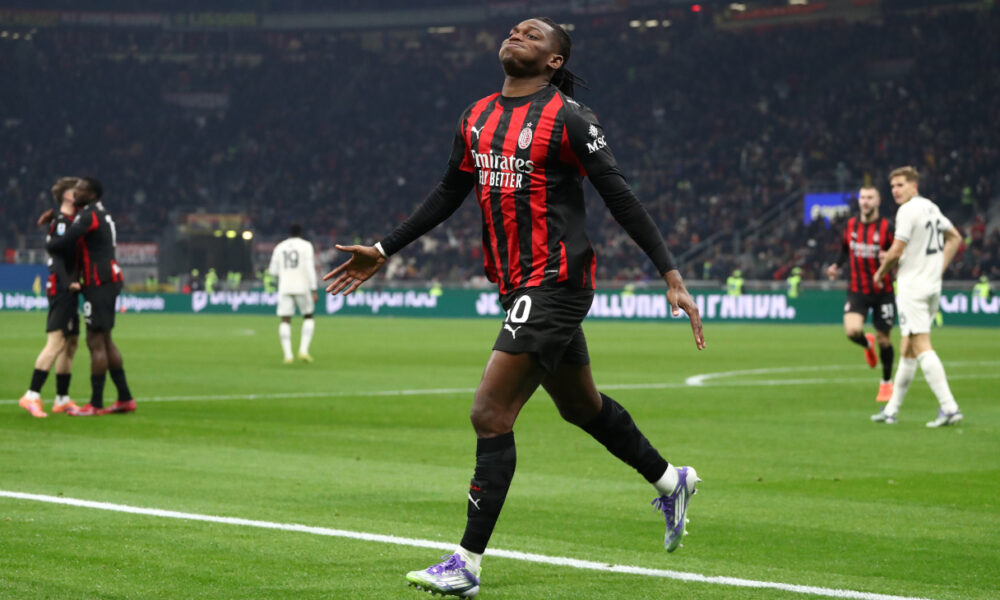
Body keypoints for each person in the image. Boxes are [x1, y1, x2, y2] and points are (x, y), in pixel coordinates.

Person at [323, 18, 705, 598]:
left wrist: (670, 274)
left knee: (490, 413)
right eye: (514, 29)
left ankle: (466, 563)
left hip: (555, 281)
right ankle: (671, 480)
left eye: (533, 34)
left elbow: (620, 195)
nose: (518, 33)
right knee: (581, 406)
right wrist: (383, 248)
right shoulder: (476, 116)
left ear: (554, 61)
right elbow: (449, 191)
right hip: (515, 284)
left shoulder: (570, 118)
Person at [871, 166, 963, 427]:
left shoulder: (907, 210)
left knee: (921, 344)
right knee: (908, 348)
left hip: (913, 287)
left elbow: (896, 250)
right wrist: (937, 268)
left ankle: (949, 407)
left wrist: (880, 272)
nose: (895, 190)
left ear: (914, 185)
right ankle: (892, 410)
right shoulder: (930, 207)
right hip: (931, 286)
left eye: (900, 185)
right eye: (892, 186)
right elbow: (954, 237)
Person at [46, 177, 136, 416]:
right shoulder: (99, 212)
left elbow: (62, 242)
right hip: (108, 279)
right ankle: (125, 398)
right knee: (105, 340)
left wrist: (51, 234)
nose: (76, 192)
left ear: (92, 194)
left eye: (81, 189)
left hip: (99, 282)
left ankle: (95, 404)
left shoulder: (88, 215)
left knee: (95, 340)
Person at [825, 186, 897, 402]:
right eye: (862, 197)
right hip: (857, 289)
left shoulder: (887, 227)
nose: (865, 201)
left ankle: (886, 383)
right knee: (852, 331)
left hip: (883, 291)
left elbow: (900, 254)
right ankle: (867, 344)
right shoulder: (850, 225)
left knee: (885, 339)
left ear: (878, 201)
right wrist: (836, 265)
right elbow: (845, 249)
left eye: (870, 198)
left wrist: (889, 258)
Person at [18, 177, 82, 417]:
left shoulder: (68, 220)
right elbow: (56, 256)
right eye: (76, 191)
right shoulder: (62, 222)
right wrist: (68, 283)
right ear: (67, 195)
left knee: (71, 342)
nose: (81, 195)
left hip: (70, 289)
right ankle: (31, 395)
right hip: (62, 288)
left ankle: (62, 399)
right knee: (56, 342)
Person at [268, 224, 318, 363]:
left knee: (285, 319)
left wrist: (285, 274)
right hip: (302, 287)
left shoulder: (280, 247)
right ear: (301, 233)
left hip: (285, 287)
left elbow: (272, 271)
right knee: (308, 316)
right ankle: (303, 351)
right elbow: (309, 268)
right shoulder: (306, 246)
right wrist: (314, 288)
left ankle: (288, 355)